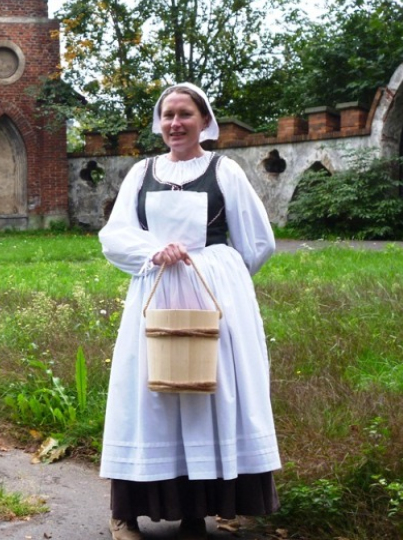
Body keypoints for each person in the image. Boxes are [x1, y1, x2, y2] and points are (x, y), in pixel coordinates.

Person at [98, 83, 280, 540]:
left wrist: (222, 276)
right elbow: (114, 235)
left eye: (185, 114)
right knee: (150, 395)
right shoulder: (142, 172)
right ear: (160, 123)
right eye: (167, 115)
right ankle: (126, 513)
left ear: (204, 121)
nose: (175, 123)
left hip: (212, 295)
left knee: (209, 395)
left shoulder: (225, 171)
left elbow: (258, 242)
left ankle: (205, 510)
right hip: (156, 290)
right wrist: (153, 252)